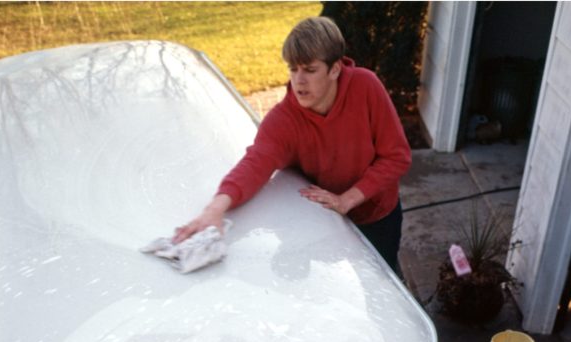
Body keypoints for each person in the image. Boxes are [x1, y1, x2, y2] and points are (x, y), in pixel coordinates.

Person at [172, 16, 411, 273]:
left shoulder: (365, 87)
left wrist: (347, 199)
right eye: (293, 69)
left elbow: (396, 156)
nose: (299, 81)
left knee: (386, 282)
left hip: (377, 215)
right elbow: (255, 164)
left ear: (335, 69)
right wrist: (214, 209)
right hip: (325, 223)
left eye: (309, 70)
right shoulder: (284, 119)